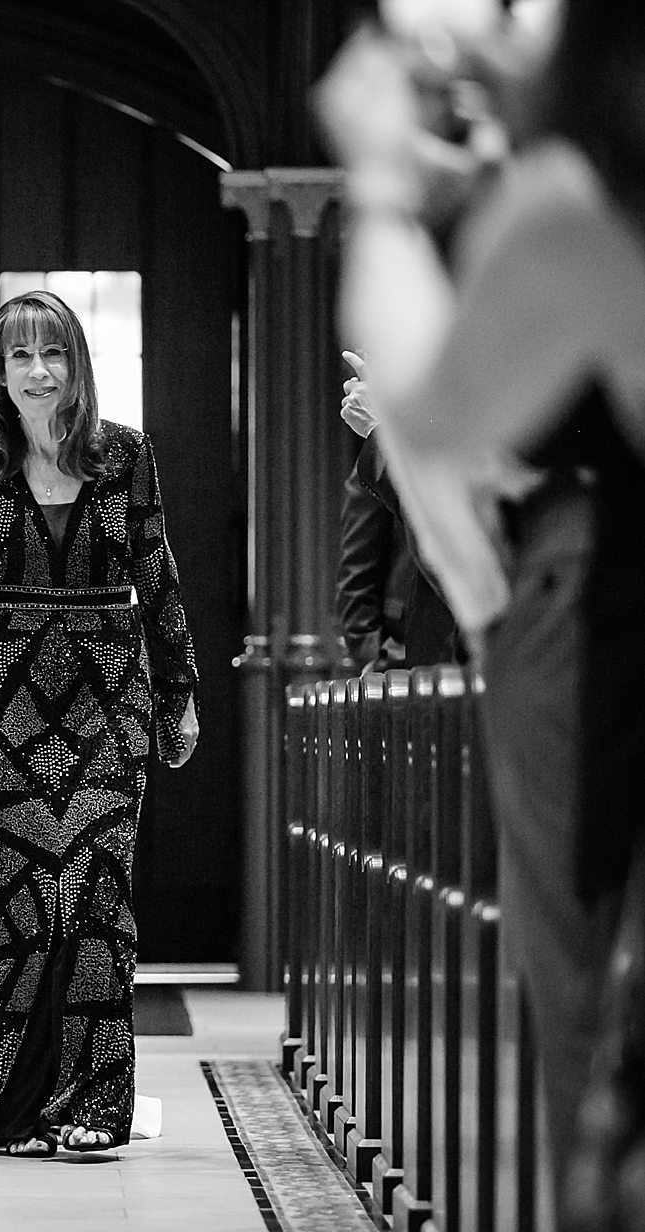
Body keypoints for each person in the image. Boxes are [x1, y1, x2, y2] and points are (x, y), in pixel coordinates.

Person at [316, 1, 645, 1223]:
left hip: (590, 596)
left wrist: (385, 186)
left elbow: (442, 409)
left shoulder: (570, 201)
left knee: (587, 986)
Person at [0, 289, 199, 1156]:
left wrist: (178, 690)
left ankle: (94, 1107)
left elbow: (155, 568)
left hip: (108, 698)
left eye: (53, 354)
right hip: (3, 705)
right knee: (7, 910)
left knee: (97, 904)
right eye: (19, 357)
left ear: (76, 365)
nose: (37, 373)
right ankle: (4, 1107)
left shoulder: (124, 456)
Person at [333, 351, 459, 673]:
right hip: (409, 658)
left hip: (466, 644)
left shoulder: (462, 431)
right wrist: (374, 659)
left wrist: (384, 430)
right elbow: (357, 570)